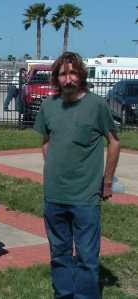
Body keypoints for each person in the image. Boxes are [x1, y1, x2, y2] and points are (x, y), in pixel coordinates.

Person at [33, 52, 120, 299]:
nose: (68, 78)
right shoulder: (49, 106)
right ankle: (64, 294)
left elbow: (114, 142)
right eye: (62, 74)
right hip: (54, 195)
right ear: (56, 78)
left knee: (86, 257)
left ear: (80, 75)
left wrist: (107, 181)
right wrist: (55, 168)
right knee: (59, 254)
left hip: (85, 197)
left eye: (72, 73)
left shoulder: (96, 105)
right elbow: (46, 141)